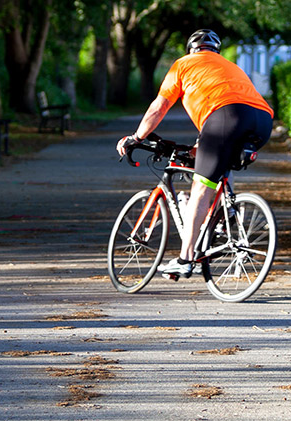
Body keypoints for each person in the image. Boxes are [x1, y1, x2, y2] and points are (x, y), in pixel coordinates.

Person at [115, 29, 273, 277]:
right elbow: (219, 121)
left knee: (201, 188)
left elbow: (160, 106)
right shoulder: (229, 66)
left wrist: (137, 137)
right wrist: (197, 149)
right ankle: (224, 219)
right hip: (262, 120)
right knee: (219, 166)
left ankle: (185, 259)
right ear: (215, 51)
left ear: (191, 49)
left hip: (225, 116)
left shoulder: (183, 65)